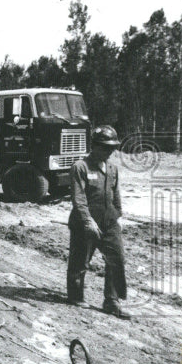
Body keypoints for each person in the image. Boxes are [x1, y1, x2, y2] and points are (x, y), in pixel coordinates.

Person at [67, 125, 130, 319]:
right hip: (84, 222)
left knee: (116, 258)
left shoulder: (112, 169)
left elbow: (115, 195)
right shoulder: (81, 167)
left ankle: (111, 301)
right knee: (80, 261)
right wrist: (87, 221)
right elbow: (79, 198)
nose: (108, 151)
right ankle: (76, 296)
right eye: (104, 147)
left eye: (111, 148)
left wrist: (118, 216)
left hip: (109, 221)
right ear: (93, 146)